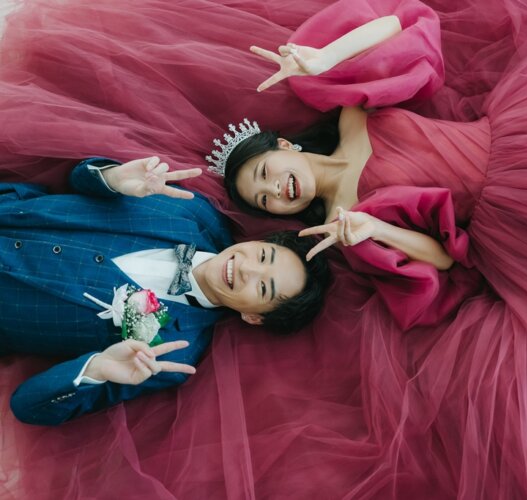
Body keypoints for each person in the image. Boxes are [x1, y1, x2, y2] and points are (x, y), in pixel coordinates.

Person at [0, 0, 527, 498]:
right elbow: (446, 262)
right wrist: (374, 230)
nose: (277, 189)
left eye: (269, 172)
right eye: (265, 199)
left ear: (287, 145)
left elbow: (404, 23)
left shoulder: (356, 117)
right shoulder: (343, 223)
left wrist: (322, 61)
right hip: (523, 228)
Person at [2, 156, 330, 426]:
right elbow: (78, 179)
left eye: (263, 287)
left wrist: (95, 369)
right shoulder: (194, 211)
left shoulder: (171, 354)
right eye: (263, 256)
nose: (247, 268)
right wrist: (111, 178)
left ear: (253, 317)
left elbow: (28, 407)